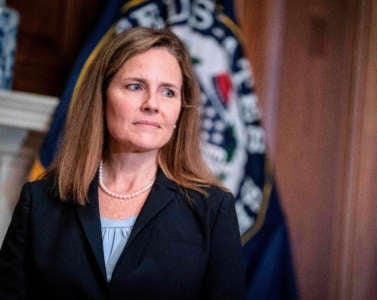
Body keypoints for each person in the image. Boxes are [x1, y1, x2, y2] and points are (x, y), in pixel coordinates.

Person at [0, 27, 245, 299]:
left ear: (180, 109)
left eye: (168, 92)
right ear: (101, 97)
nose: (152, 104)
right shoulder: (39, 202)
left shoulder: (212, 209)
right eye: (135, 86)